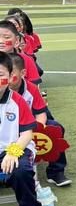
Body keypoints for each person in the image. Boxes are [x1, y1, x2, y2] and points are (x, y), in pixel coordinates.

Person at [0, 51, 46, 206]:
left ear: (10, 77)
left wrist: (12, 152)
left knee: (21, 170)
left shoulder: (17, 101)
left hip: (16, 147)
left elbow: (27, 132)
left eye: (0, 75)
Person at [9, 54, 72, 186]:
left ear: (22, 73)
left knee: (56, 128)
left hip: (29, 126)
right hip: (8, 129)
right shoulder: (2, 90)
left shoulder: (31, 88)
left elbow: (41, 113)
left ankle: (56, 172)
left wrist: (39, 127)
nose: (7, 78)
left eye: (11, 73)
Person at [0, 20, 41, 85]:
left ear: (16, 41)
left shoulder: (26, 60)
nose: (1, 41)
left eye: (6, 37)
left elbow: (34, 85)